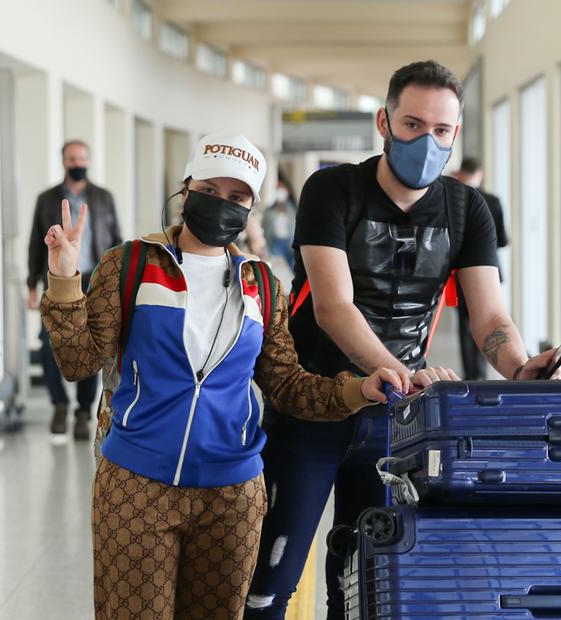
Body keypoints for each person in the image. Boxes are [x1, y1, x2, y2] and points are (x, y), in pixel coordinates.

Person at [245, 60, 561, 619]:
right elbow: (332, 306)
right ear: (384, 122)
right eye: (413, 124)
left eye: (441, 130)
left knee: (369, 582)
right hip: (313, 406)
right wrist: (400, 369)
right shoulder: (333, 190)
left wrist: (519, 367)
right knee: (271, 578)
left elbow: (489, 317)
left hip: (398, 422)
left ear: (455, 134)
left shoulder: (468, 210)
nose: (427, 140)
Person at [39, 133, 405, 619]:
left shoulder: (260, 285)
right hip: (134, 485)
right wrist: (65, 280)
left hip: (232, 495)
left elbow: (287, 386)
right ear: (186, 187)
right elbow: (77, 362)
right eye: (210, 190)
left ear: (251, 206)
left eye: (237, 198)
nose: (221, 205)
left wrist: (359, 388)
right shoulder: (131, 264)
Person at [27, 140, 121, 440]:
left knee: (90, 343)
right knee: (48, 342)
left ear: (89, 161)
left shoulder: (104, 198)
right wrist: (32, 283)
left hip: (94, 280)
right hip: (57, 279)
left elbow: (117, 239)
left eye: (82, 158)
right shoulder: (46, 199)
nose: (77, 162)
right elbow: (34, 244)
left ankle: (82, 410)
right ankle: (58, 405)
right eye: (72, 158)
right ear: (63, 161)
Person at [453, 157, 510, 380]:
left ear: (460, 173)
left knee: (465, 326)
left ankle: (471, 373)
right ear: (481, 174)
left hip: (460, 273)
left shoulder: (456, 201)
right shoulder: (493, 201)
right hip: (490, 271)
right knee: (489, 317)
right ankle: (483, 372)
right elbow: (503, 240)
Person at [261, 176, 297, 270]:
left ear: (288, 191)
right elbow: (264, 226)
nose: (280, 191)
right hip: (274, 242)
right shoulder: (270, 210)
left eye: (282, 188)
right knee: (274, 269)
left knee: (292, 269)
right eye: (278, 188)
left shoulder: (293, 210)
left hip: (289, 243)